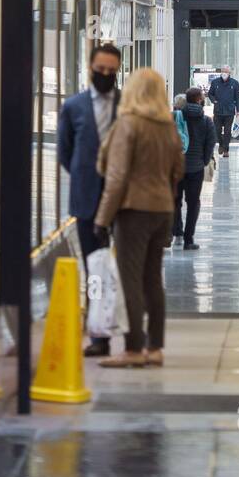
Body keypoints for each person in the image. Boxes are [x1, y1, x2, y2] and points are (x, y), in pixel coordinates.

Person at [93, 68, 184, 368]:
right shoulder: (167, 127)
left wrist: (102, 219)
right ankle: (155, 347)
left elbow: (117, 177)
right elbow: (177, 171)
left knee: (130, 280)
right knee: (152, 280)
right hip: (162, 210)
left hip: (133, 211)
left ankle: (133, 348)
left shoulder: (128, 124)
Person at [57, 41, 121, 356]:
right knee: (93, 266)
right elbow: (65, 153)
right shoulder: (74, 107)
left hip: (124, 200)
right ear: (90, 69)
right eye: (100, 70)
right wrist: (88, 176)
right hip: (86, 199)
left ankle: (123, 327)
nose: (105, 75)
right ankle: (98, 335)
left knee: (122, 267)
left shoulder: (127, 105)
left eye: (111, 71)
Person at [172, 86, 215, 250]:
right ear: (199, 100)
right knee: (193, 203)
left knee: (174, 200)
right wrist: (203, 161)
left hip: (175, 167)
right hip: (195, 167)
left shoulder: (175, 117)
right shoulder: (206, 121)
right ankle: (189, 239)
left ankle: (177, 232)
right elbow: (211, 143)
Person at [207, 64, 239, 158]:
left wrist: (238, 110)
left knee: (227, 131)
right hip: (218, 111)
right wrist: (214, 101)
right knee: (217, 130)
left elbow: (237, 98)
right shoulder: (215, 82)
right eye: (223, 71)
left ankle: (226, 149)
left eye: (226, 71)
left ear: (229, 73)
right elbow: (210, 94)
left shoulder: (235, 83)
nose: (224, 73)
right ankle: (221, 144)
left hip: (229, 111)